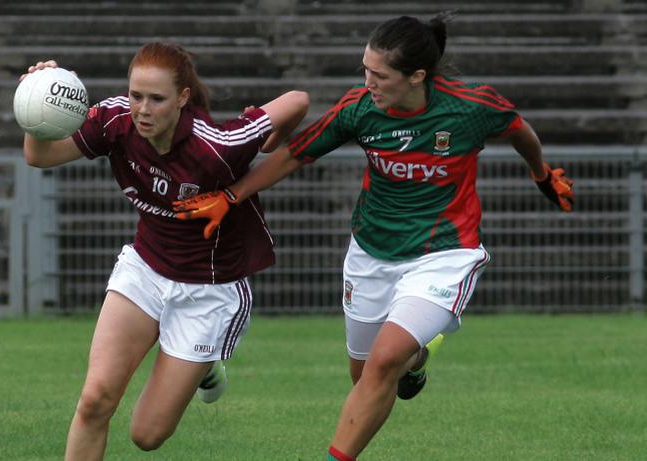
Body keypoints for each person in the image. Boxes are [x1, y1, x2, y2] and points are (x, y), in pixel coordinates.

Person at [173, 15, 574, 460]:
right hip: (371, 253)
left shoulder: (469, 106)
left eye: (379, 75)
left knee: (383, 362)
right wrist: (230, 196)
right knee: (367, 374)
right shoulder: (359, 109)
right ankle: (416, 362)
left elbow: (518, 129)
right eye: (364, 69)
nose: (368, 82)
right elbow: (294, 154)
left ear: (416, 77)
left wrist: (541, 174)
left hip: (444, 253)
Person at [20, 42, 309, 459]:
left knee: (146, 435)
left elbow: (298, 101)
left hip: (209, 289)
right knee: (95, 400)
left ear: (183, 98)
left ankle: (205, 366)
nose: (142, 109)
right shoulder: (116, 120)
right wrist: (37, 102)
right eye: (137, 95)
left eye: (156, 99)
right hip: (145, 269)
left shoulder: (218, 144)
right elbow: (38, 156)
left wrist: (267, 145)